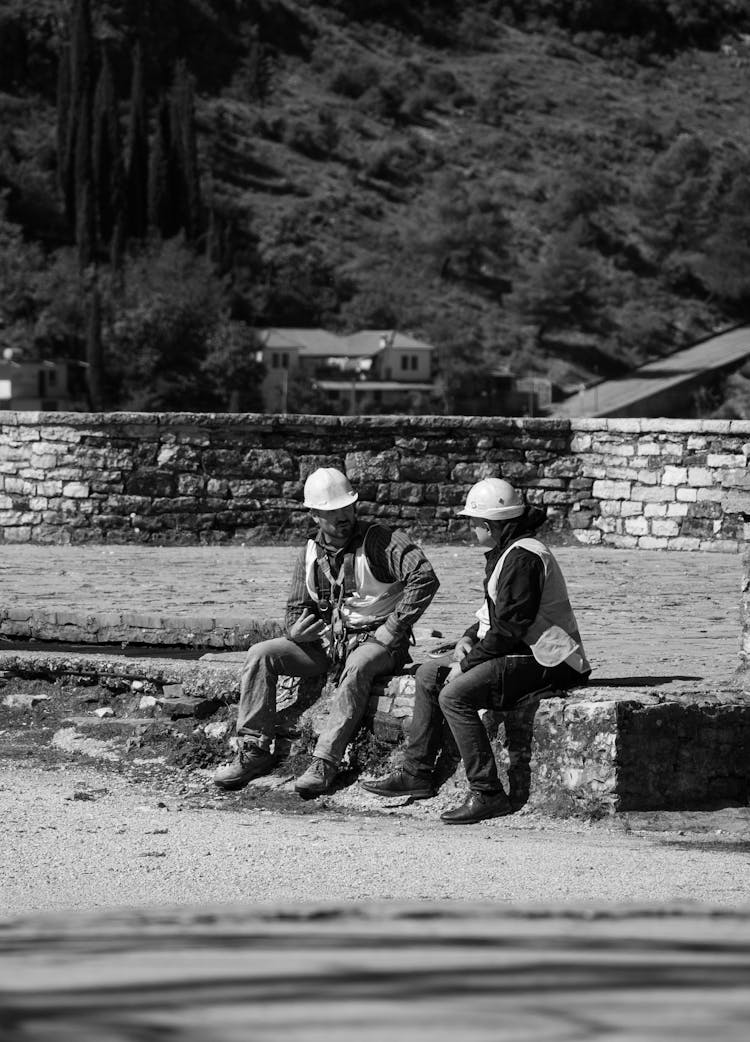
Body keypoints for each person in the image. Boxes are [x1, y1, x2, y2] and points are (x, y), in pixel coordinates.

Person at [361, 477, 590, 824]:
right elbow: (493, 616)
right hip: (522, 651)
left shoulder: (523, 558)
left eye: (475, 521)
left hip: (550, 660)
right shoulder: (507, 553)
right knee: (427, 674)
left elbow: (509, 629)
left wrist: (465, 663)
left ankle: (487, 792)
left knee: (454, 695)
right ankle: (417, 772)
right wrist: (468, 637)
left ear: (492, 524)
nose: (471, 527)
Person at [213, 467, 440, 797]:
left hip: (376, 642)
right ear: (316, 514)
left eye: (346, 508)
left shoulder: (380, 540)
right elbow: (294, 610)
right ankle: (254, 750)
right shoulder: (309, 552)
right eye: (332, 512)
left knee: (358, 666)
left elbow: (424, 577)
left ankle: (324, 762)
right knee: (260, 654)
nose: (342, 517)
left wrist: (394, 629)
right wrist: (296, 630)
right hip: (327, 645)